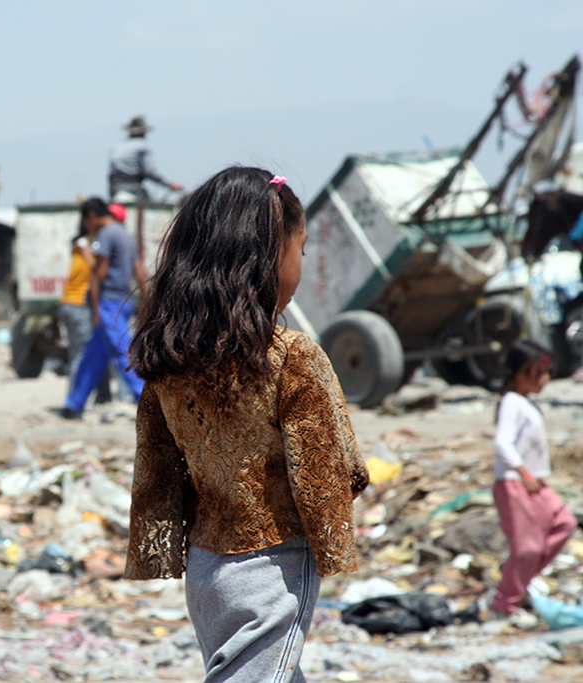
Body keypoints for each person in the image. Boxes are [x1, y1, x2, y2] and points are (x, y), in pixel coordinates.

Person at [125, 167, 368, 682]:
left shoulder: (167, 364)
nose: (301, 264)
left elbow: (156, 475)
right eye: (299, 250)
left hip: (207, 569)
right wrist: (332, 535)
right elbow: (334, 472)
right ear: (269, 256)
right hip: (275, 566)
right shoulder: (292, 358)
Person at [489, 340, 575, 621]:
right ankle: (505, 601)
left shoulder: (525, 403)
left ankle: (516, 579)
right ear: (520, 373)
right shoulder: (512, 402)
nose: (546, 379)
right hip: (517, 482)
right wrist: (523, 471)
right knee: (526, 548)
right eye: (539, 372)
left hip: (534, 482)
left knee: (564, 523)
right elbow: (503, 442)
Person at [61, 198, 147, 419]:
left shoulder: (106, 235)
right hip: (124, 301)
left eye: (85, 220)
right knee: (94, 354)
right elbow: (140, 271)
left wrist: (97, 311)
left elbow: (98, 276)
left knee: (122, 351)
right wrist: (147, 300)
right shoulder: (125, 235)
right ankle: (74, 404)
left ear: (91, 215)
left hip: (110, 303)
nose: (86, 227)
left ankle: (145, 401)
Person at [57, 216, 113, 405]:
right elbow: (97, 271)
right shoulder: (88, 248)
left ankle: (103, 396)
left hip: (70, 304)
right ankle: (73, 403)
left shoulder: (79, 247)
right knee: (81, 356)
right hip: (79, 305)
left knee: (94, 351)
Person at [108, 115, 182, 204]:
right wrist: (169, 184)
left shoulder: (118, 145)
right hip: (133, 189)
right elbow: (150, 172)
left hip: (114, 189)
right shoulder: (143, 147)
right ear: (143, 133)